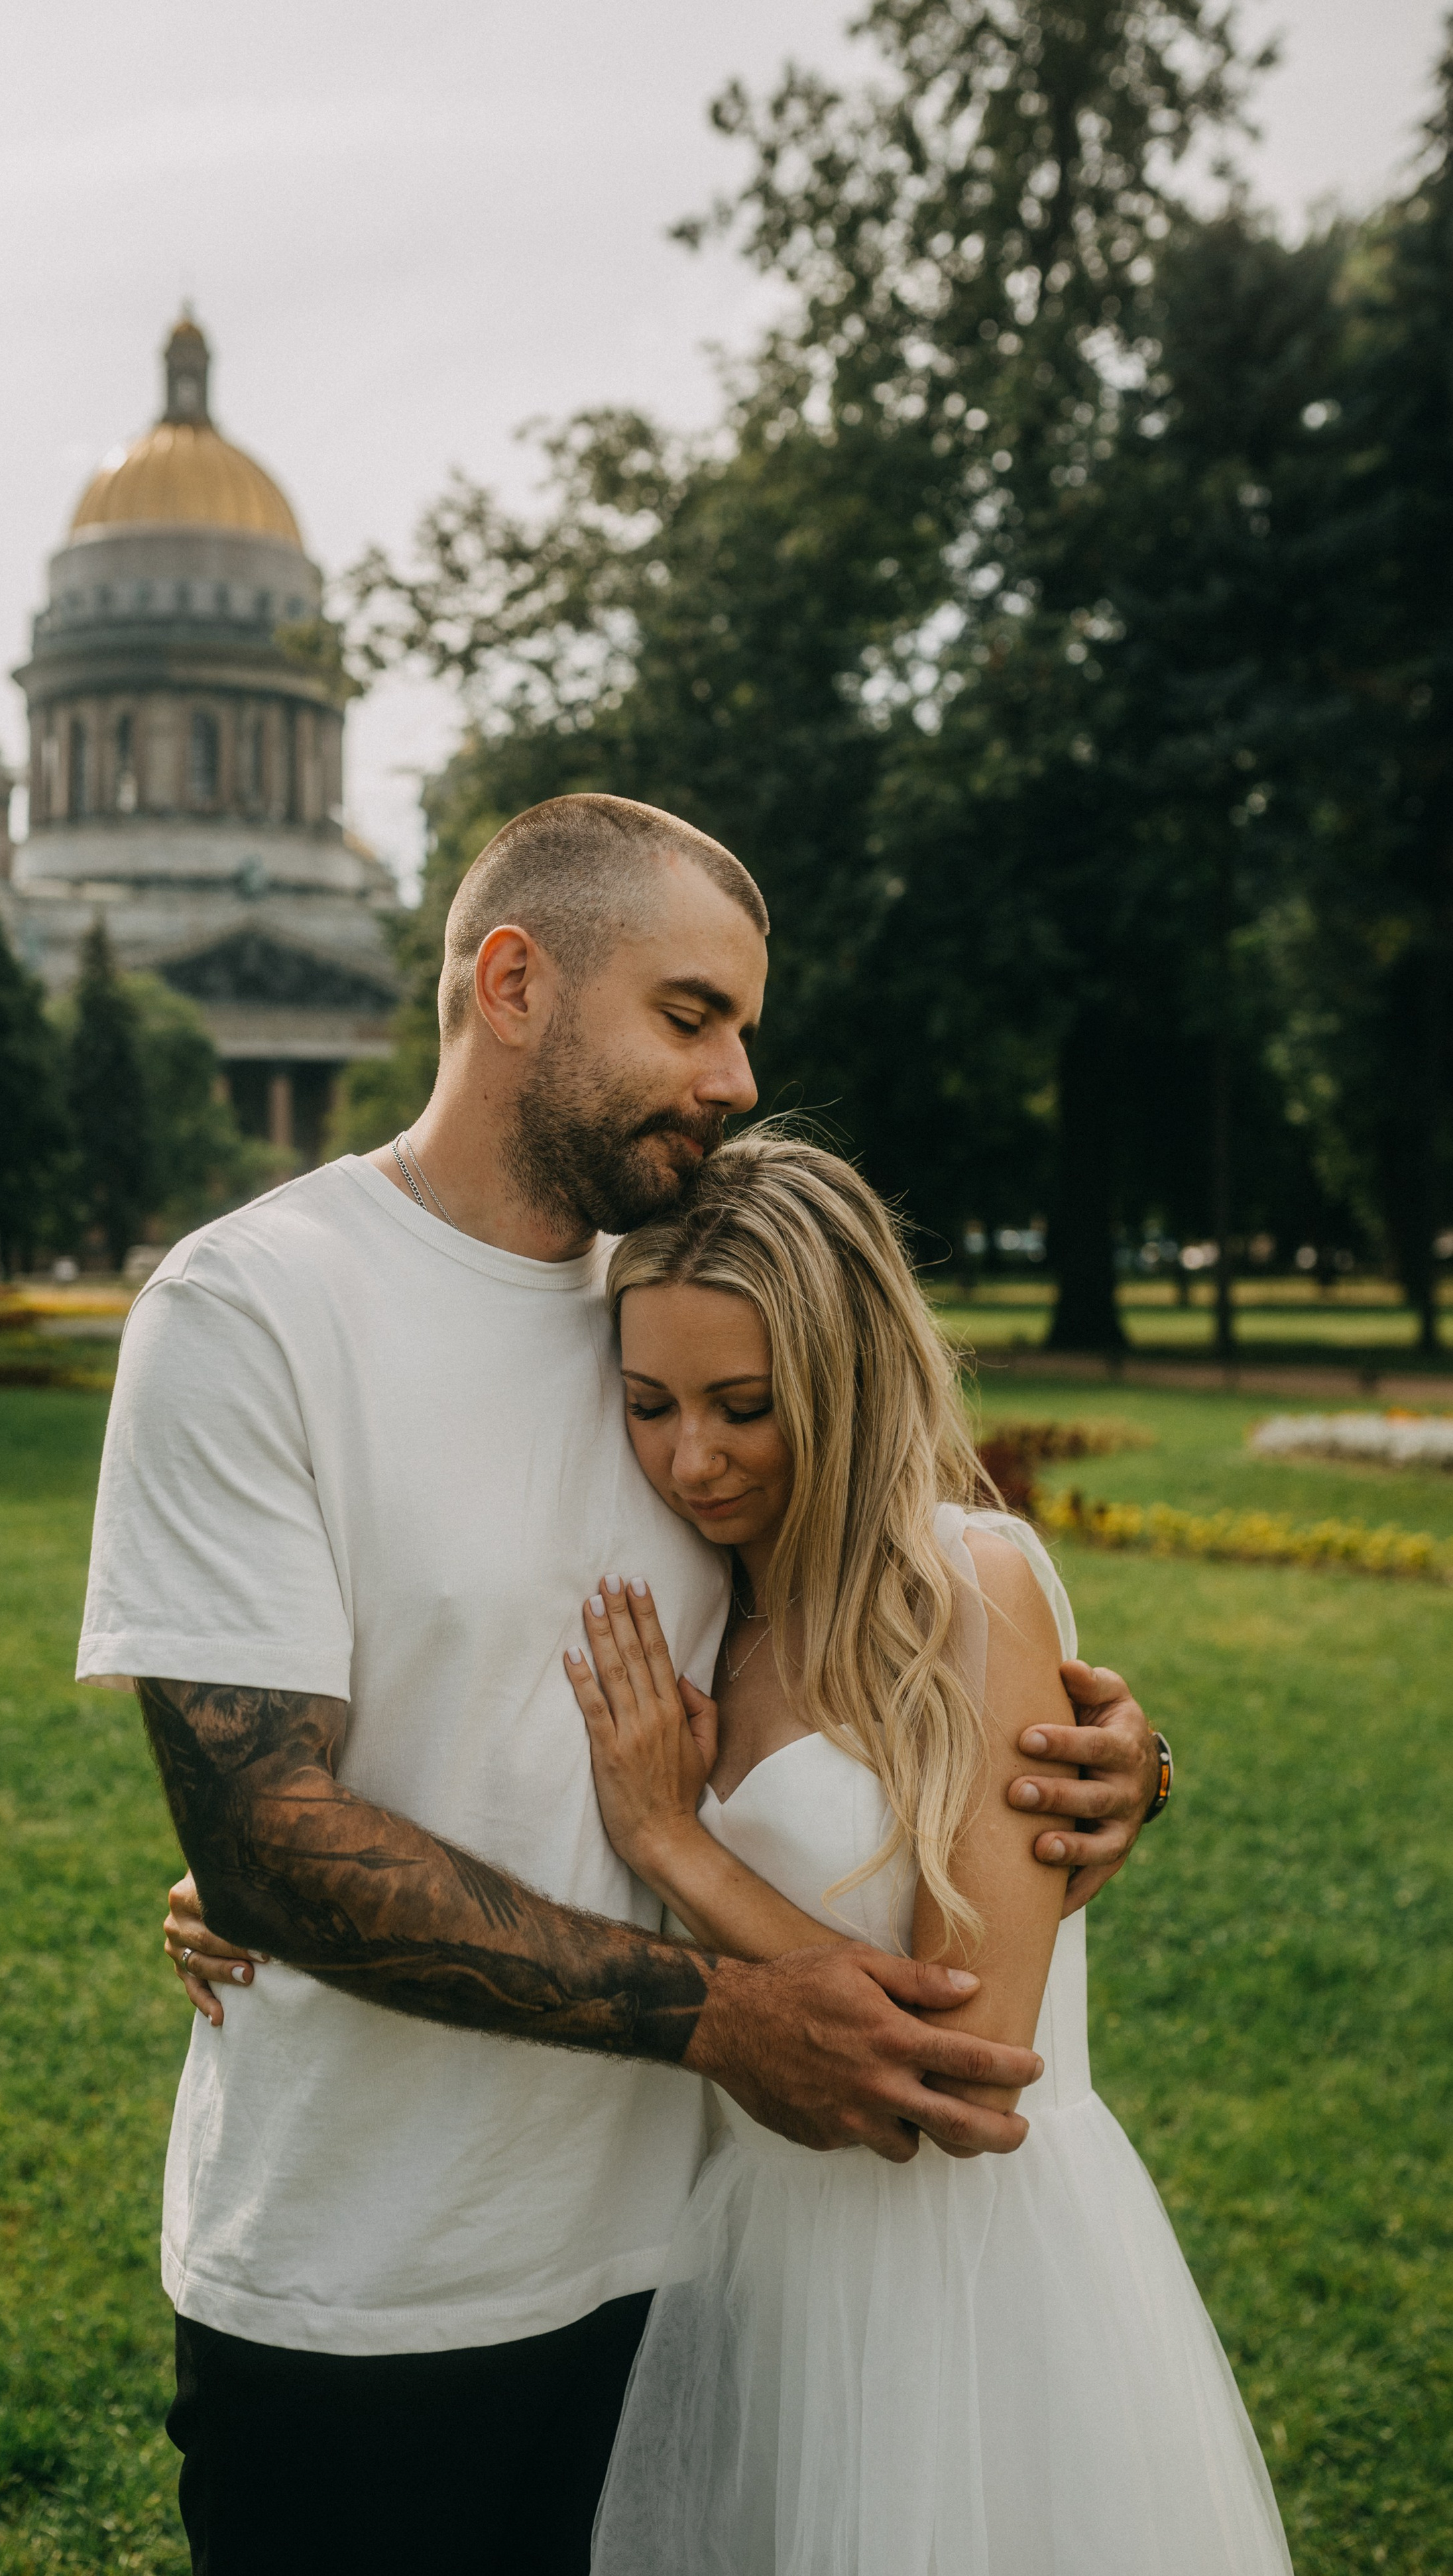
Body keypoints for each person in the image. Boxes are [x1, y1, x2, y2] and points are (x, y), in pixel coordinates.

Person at [85, 793, 1162, 2576]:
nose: (740, 1073)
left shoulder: (676, 1305)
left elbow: (873, 1639)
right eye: (691, 1015)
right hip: (372, 2281)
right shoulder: (253, 1309)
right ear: (516, 983)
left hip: (702, 2272)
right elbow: (273, 1830)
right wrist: (713, 2015)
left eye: (744, 1024)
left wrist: (1111, 1755)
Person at [550, 1131, 1291, 2575]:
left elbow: (969, 2068)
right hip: (748, 2249)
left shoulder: (971, 1589)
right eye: (647, 1404)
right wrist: (248, 1877)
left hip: (959, 2288)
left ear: (840, 1383)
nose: (689, 1457)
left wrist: (671, 1842)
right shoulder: (699, 1601)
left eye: (742, 1407)